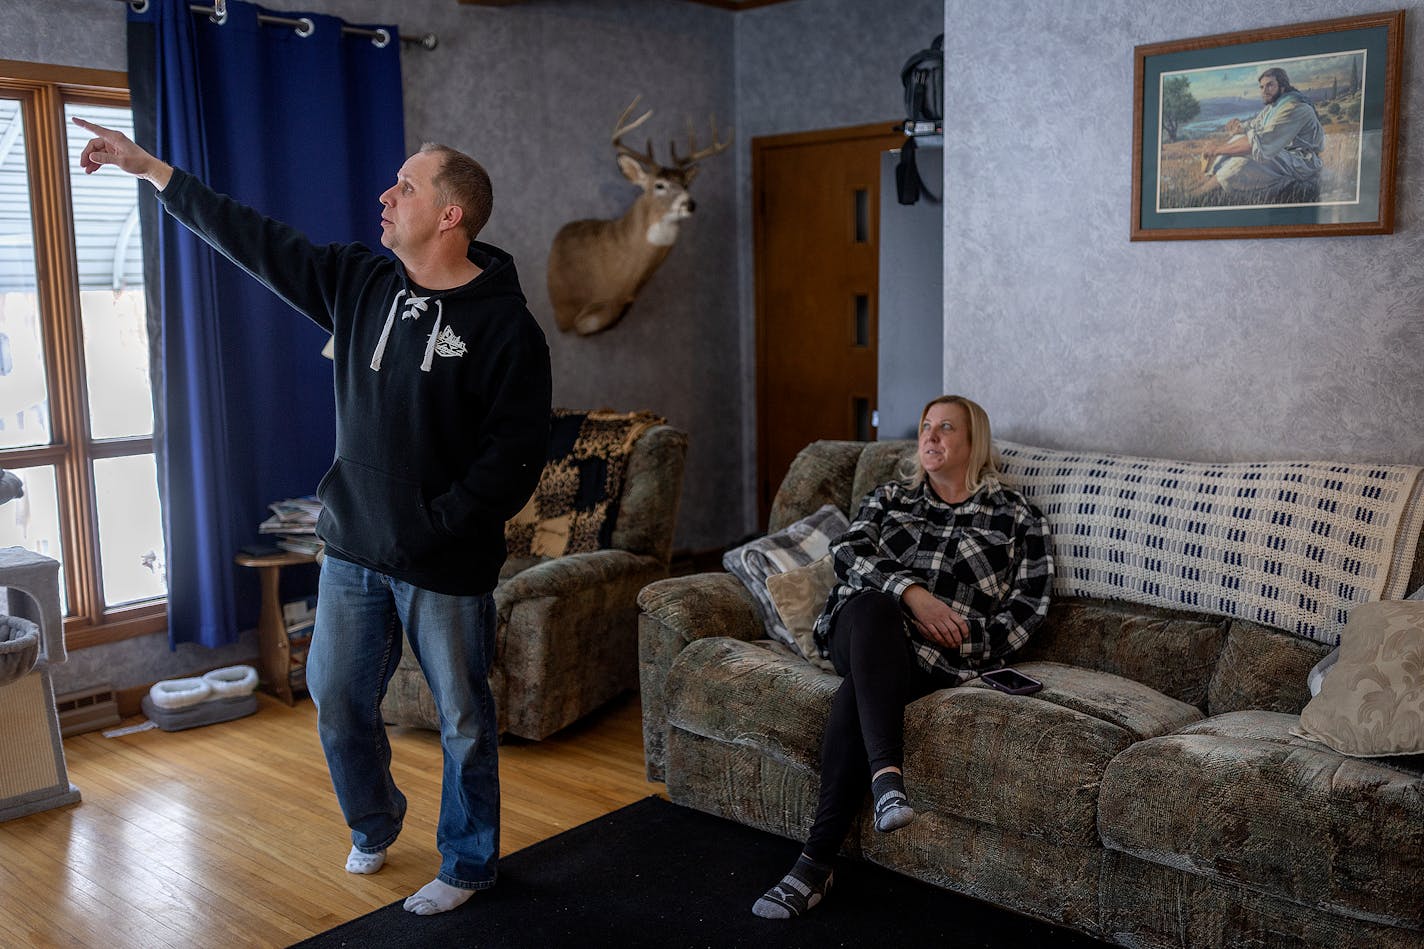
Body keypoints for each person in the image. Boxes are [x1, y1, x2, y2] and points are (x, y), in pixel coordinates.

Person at [75, 118, 553, 917]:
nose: (385, 194)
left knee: (465, 716)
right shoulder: (359, 284)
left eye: (405, 185)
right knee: (335, 697)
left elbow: (512, 461)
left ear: (449, 215)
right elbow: (252, 239)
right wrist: (152, 169)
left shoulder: (507, 329)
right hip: (353, 552)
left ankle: (468, 864)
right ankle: (376, 820)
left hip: (442, 563)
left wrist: (434, 525)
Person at [752, 395, 1053, 919]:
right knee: (874, 607)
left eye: (945, 428)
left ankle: (814, 864)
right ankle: (887, 776)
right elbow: (847, 553)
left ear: (973, 442)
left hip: (935, 656)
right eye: (924, 428)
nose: (930, 438)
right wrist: (914, 594)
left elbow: (1028, 611)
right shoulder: (892, 496)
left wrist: (956, 635)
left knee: (858, 693)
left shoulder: (1016, 517)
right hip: (858, 626)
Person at [1192, 66, 1324, 202]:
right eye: (1261, 87)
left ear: (1283, 87)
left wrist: (1216, 150)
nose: (1264, 91)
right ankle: (1207, 181)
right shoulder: (1275, 106)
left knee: (1242, 160)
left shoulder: (1294, 108)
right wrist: (1239, 127)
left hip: (1300, 162)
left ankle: (1196, 195)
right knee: (1237, 139)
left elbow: (1259, 142)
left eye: (1270, 85)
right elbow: (1255, 125)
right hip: (1282, 154)